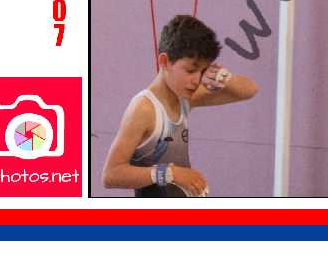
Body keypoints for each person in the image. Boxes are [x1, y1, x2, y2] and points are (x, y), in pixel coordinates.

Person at [101, 14, 258, 197]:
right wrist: (170, 173)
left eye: (203, 71)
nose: (196, 80)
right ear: (164, 62)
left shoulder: (185, 98)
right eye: (191, 70)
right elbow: (111, 175)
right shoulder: (144, 109)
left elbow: (250, 90)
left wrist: (224, 77)